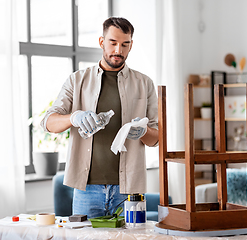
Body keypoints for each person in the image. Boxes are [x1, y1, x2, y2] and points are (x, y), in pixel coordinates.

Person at [40, 17, 159, 218]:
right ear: (102, 42)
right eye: (113, 43)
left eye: (125, 44)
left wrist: (144, 131)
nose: (118, 50)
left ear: (131, 45)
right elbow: (48, 122)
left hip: (129, 191)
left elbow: (156, 138)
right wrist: (74, 117)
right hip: (86, 190)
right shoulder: (77, 80)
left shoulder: (144, 83)